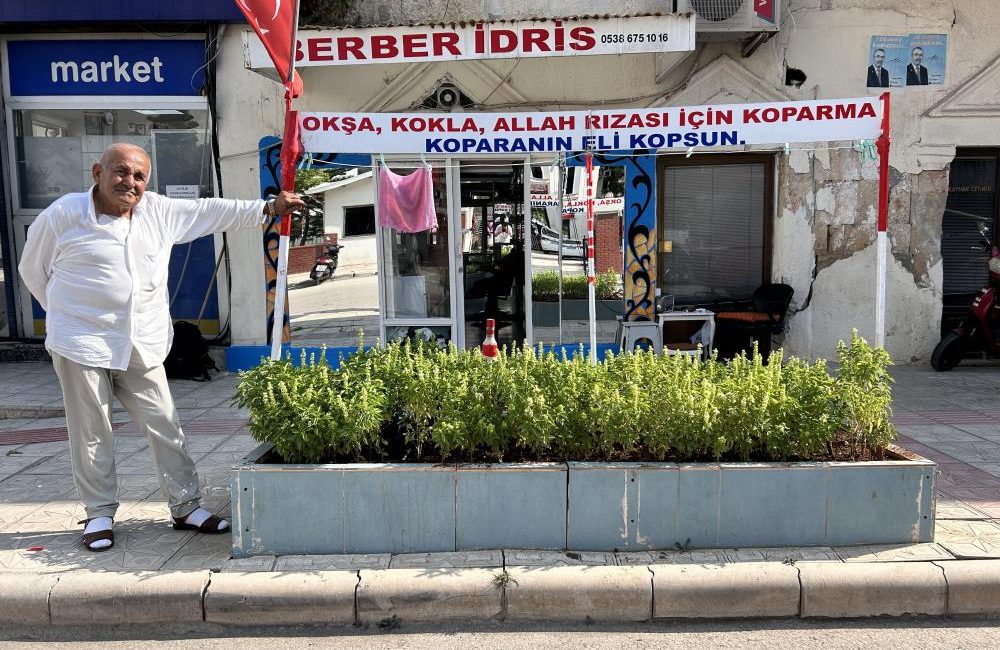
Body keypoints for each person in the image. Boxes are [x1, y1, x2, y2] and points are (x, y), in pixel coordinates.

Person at [18, 143, 305, 552]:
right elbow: (33, 270)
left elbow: (211, 211)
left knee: (166, 425)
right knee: (91, 430)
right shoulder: (64, 215)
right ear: (97, 172)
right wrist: (68, 314)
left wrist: (268, 208)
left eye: (139, 176)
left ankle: (186, 507)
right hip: (81, 344)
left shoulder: (158, 211)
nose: (129, 182)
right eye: (120, 172)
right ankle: (99, 513)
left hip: (142, 341)